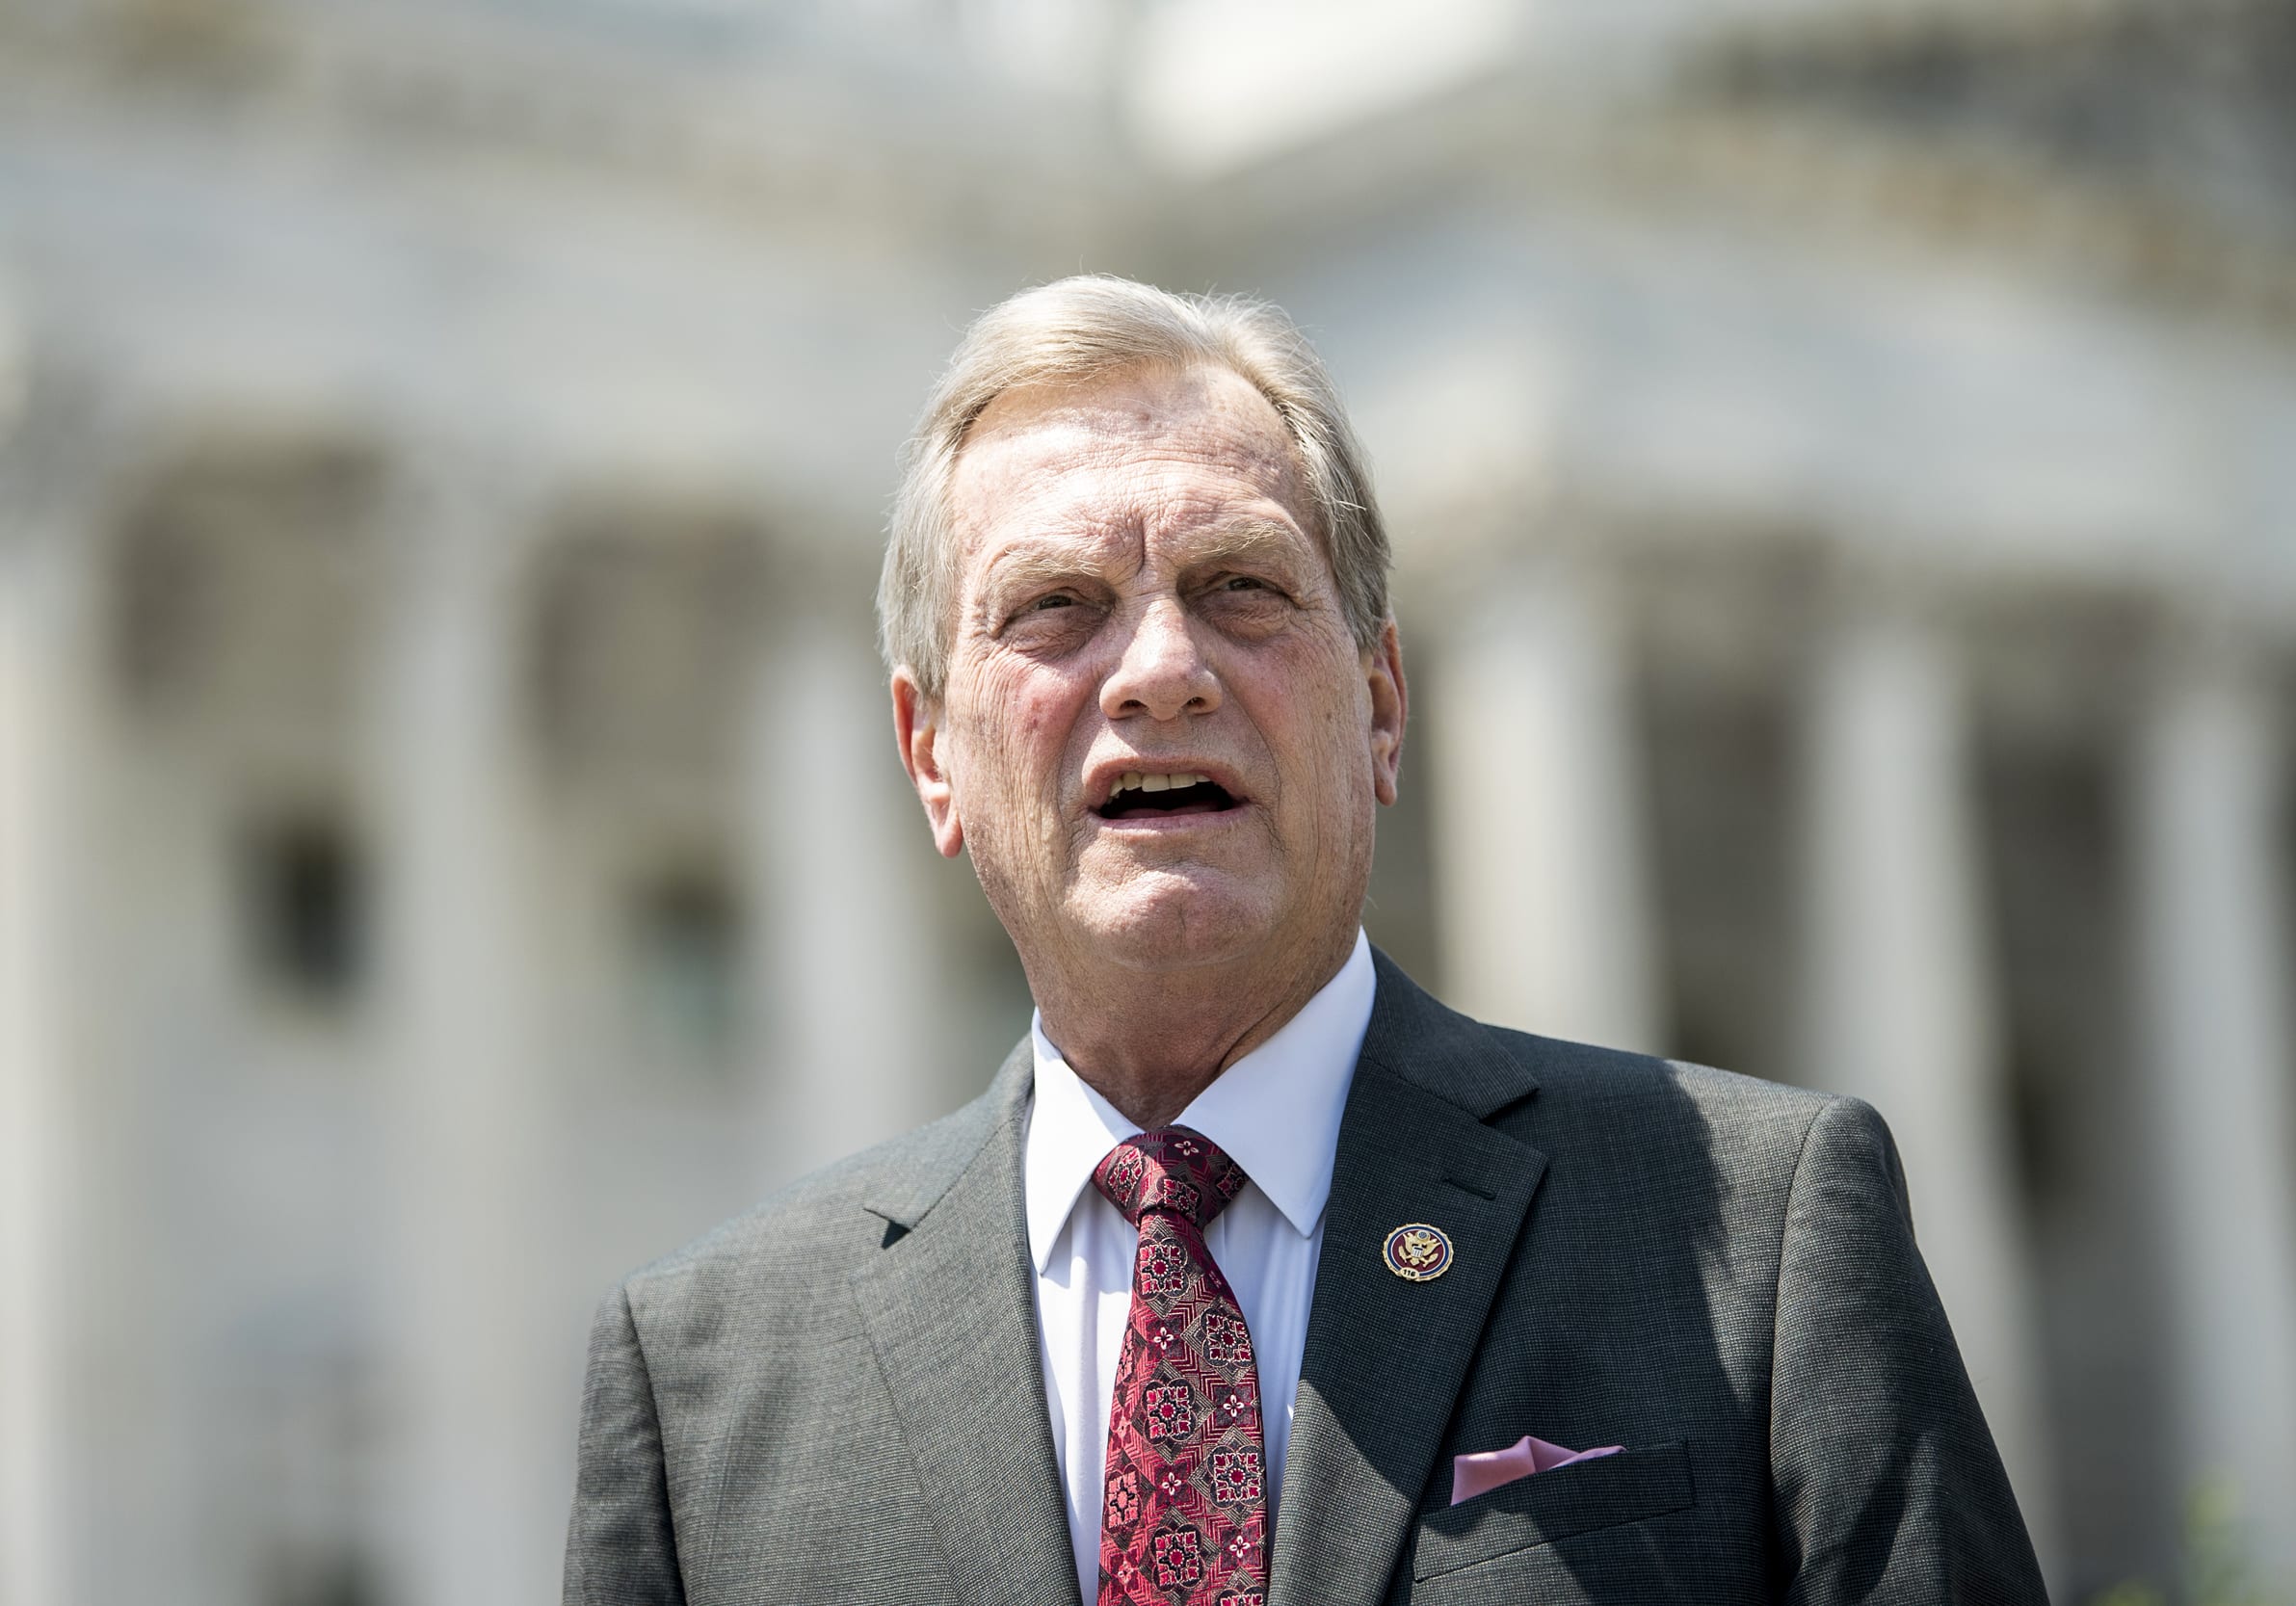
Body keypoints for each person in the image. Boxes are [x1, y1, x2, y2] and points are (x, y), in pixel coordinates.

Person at [563, 276, 2048, 1605]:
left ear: (1383, 703)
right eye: (1057, 607)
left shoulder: (1757, 1235)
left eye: (1242, 589)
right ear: (933, 753)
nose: (1159, 671)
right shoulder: (707, 1380)